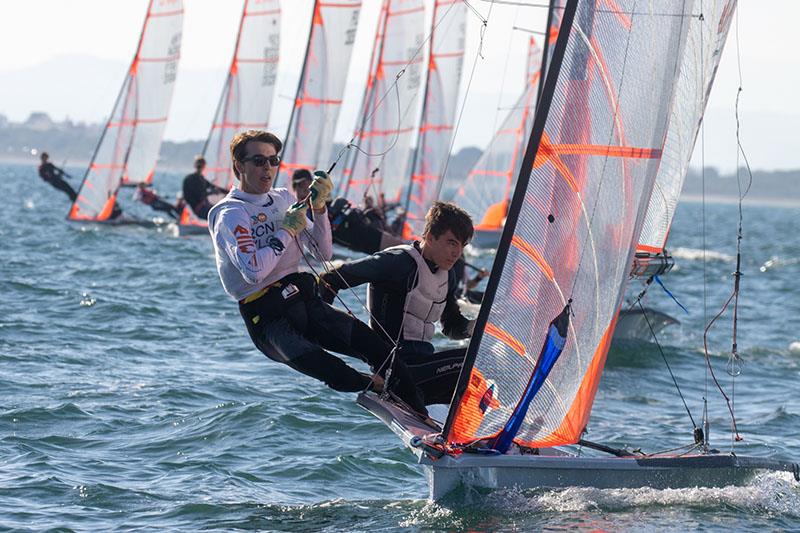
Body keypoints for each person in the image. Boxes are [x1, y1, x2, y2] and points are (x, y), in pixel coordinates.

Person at [207, 130, 429, 419]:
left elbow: (323, 254)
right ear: (239, 165)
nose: (268, 169)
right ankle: (378, 389)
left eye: (273, 161)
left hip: (304, 301)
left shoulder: (283, 198)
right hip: (269, 318)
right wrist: (287, 230)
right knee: (338, 374)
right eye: (259, 161)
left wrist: (320, 208)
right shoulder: (230, 213)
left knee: (381, 350)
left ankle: (424, 415)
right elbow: (254, 271)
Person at [320, 201, 476, 406]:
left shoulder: (449, 275)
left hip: (424, 368)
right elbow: (333, 279)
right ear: (430, 237)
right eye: (451, 243)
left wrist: (474, 328)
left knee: (488, 360)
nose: (457, 253)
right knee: (477, 363)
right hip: (396, 368)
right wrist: (323, 326)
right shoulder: (398, 261)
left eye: (462, 246)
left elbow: (451, 326)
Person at [327, 196, 405, 254]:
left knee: (401, 250)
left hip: (369, 242)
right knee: (402, 250)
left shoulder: (329, 228)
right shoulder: (331, 229)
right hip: (373, 241)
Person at [182, 155, 227, 219]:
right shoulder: (194, 179)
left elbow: (213, 187)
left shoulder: (199, 179)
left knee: (222, 211)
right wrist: (212, 192)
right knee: (222, 213)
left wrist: (228, 191)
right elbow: (200, 194)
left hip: (202, 207)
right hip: (199, 209)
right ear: (204, 166)